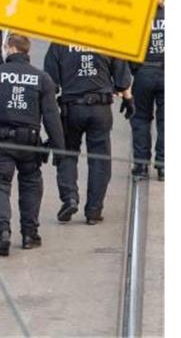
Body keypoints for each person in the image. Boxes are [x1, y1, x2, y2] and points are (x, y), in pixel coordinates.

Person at [0, 34, 65, 256]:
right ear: (27, 51)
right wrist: (59, 147)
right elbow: (51, 116)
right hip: (30, 143)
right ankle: (29, 234)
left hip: (1, 142)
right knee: (30, 183)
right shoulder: (42, 78)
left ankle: (2, 231)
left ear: (9, 49)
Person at [44, 42, 132, 225]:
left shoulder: (59, 42)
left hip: (71, 108)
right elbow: (122, 79)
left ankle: (69, 198)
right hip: (100, 109)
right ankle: (94, 210)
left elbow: (50, 83)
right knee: (99, 158)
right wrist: (128, 99)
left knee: (67, 153)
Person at [131, 0, 164, 180]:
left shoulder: (139, 15)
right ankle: (163, 166)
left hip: (144, 70)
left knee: (141, 119)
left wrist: (134, 70)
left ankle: (141, 165)